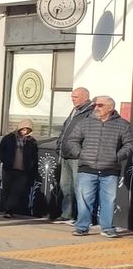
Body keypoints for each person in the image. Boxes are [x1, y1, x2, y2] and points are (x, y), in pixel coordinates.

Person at [63, 95, 133, 238]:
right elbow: (72, 140)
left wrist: (117, 157)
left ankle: (107, 228)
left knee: (108, 201)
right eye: (95, 105)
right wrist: (80, 153)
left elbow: (130, 144)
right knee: (84, 200)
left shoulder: (123, 125)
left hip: (110, 170)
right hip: (87, 168)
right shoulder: (85, 123)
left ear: (110, 108)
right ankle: (82, 227)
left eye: (100, 105)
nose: (96, 108)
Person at [51, 87, 93, 222]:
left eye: (75, 97)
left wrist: (80, 152)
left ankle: (79, 217)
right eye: (72, 97)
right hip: (65, 155)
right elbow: (65, 129)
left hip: (76, 157)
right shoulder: (74, 111)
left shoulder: (90, 113)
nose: (72, 99)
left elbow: (89, 135)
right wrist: (59, 144)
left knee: (78, 188)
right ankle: (66, 214)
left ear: (85, 97)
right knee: (65, 186)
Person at [0, 121, 39, 217]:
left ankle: (9, 209)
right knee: (7, 188)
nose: (25, 132)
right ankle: (7, 209)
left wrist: (31, 165)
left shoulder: (31, 141)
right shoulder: (9, 138)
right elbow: (1, 149)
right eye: (23, 129)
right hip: (9, 168)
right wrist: (5, 160)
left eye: (27, 130)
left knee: (17, 190)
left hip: (23, 170)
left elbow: (34, 156)